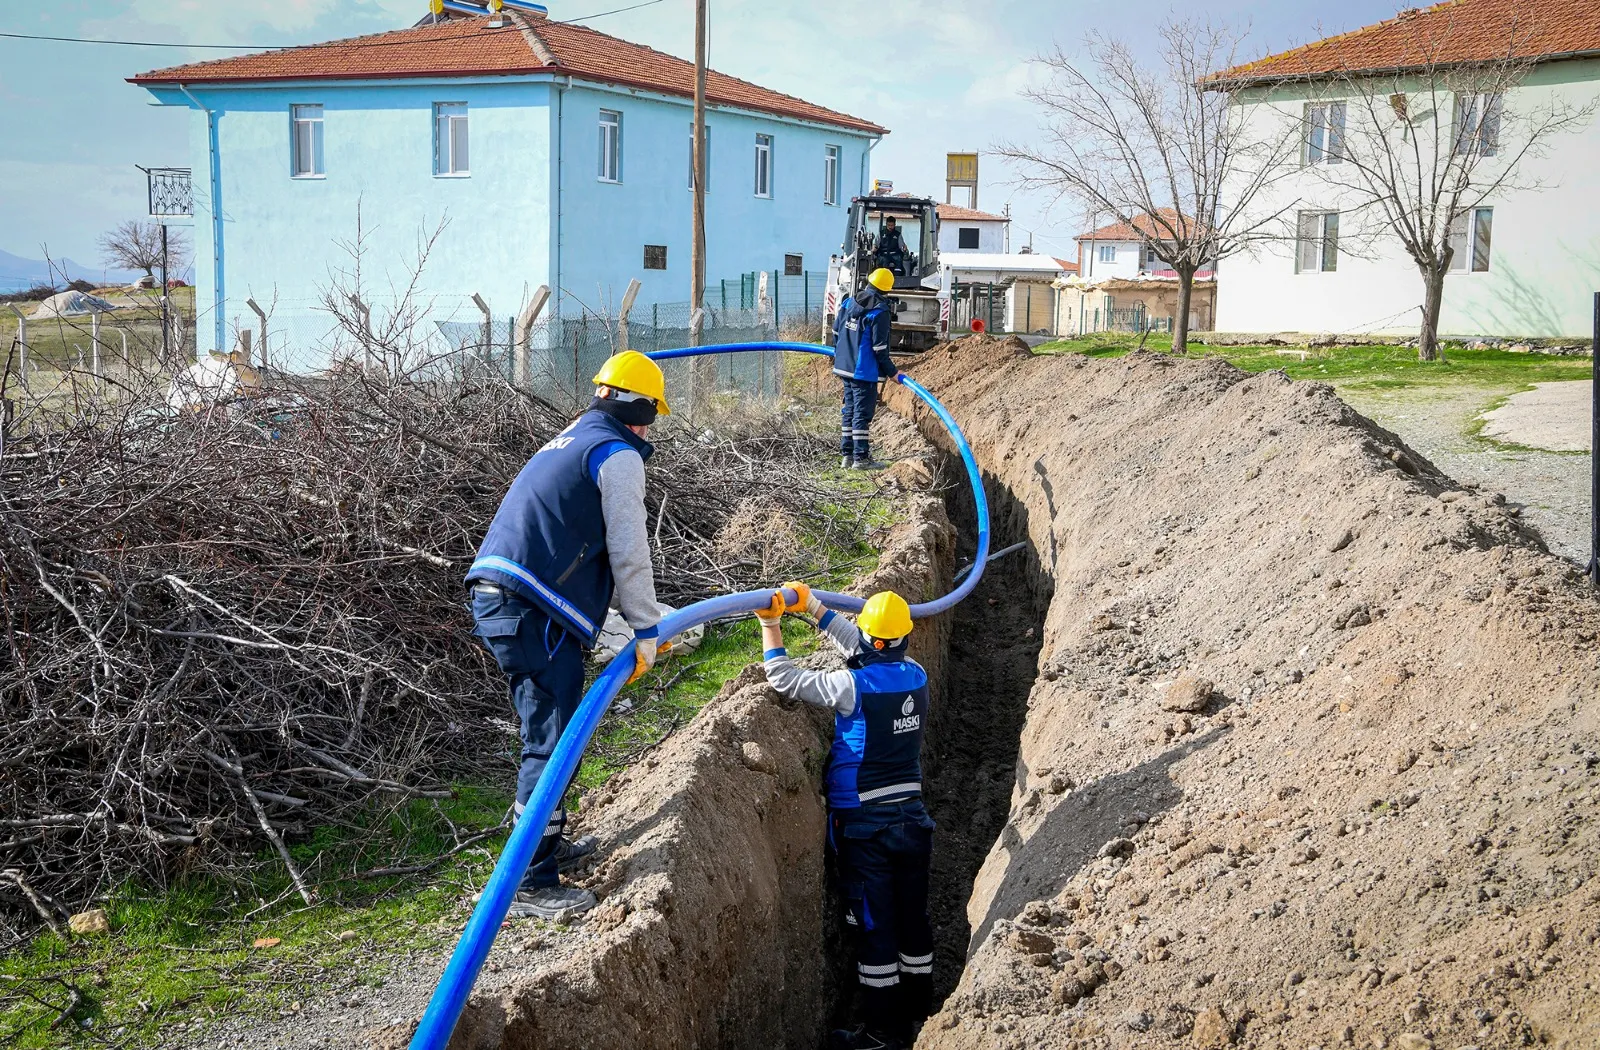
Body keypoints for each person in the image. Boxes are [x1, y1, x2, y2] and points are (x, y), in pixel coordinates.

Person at [465, 350, 671, 922]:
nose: (649, 428)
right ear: (638, 407)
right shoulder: (617, 455)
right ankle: (529, 879)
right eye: (650, 414)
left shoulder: (574, 436)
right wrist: (647, 628)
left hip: (509, 595)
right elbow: (630, 548)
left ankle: (542, 846)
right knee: (551, 742)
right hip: (528, 605)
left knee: (554, 735)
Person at [755, 584, 935, 1050]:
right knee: (912, 917)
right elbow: (866, 646)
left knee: (875, 927)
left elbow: (784, 678)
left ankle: (880, 1035)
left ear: (872, 641)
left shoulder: (851, 687)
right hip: (913, 823)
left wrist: (770, 623)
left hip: (864, 824)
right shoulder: (916, 675)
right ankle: (921, 1010)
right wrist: (812, 606)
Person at [833, 267, 898, 471]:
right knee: (862, 413)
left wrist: (842, 353)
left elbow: (836, 331)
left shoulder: (848, 302)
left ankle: (847, 456)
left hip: (845, 366)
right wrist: (893, 372)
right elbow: (880, 349)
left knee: (849, 410)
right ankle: (860, 458)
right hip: (863, 371)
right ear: (886, 290)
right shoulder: (879, 311)